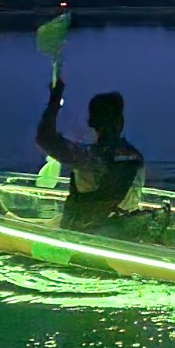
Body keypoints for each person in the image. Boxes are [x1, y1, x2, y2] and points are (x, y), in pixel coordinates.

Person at [36, 77, 145, 232]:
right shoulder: (135, 156)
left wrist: (55, 100)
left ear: (91, 122)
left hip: (87, 235)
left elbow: (45, 138)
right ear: (120, 121)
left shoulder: (85, 157)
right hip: (124, 232)